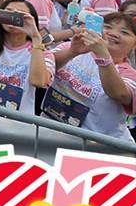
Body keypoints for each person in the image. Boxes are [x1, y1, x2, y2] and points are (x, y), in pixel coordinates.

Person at [48, 12, 136, 142]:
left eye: (124, 32)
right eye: (107, 27)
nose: (113, 33)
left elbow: (121, 94)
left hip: (96, 147)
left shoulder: (129, 74)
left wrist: (103, 57)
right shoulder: (72, 46)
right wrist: (72, 52)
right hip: (49, 133)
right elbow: (43, 68)